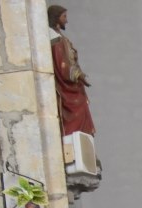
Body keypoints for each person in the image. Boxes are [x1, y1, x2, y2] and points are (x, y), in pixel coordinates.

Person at [47, 6, 95, 137]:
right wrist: (78, 75)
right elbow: (61, 65)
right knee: (78, 107)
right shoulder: (55, 39)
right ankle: (73, 138)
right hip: (65, 85)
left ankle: (82, 138)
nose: (66, 21)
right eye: (64, 17)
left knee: (82, 105)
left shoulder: (60, 37)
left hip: (73, 84)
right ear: (56, 18)